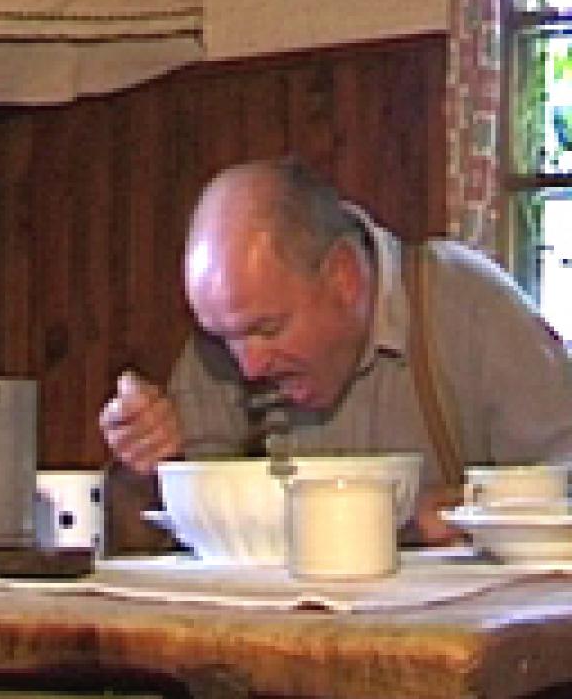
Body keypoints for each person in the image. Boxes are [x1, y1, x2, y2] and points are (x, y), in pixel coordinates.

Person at [100, 156, 572, 545]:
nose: (247, 364)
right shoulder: (227, 341)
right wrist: (141, 468)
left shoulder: (470, 307)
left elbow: (564, 490)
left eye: (268, 329)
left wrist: (478, 512)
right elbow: (170, 538)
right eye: (226, 338)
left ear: (344, 277)